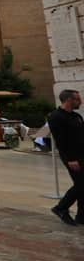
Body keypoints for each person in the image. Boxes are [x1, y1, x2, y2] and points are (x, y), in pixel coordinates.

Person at [48, 89, 84, 225]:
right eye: (77, 99)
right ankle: (61, 208)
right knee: (81, 184)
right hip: (72, 157)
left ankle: (81, 217)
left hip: (82, 154)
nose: (80, 101)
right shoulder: (56, 117)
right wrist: (70, 159)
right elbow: (61, 141)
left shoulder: (77, 116)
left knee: (82, 186)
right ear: (69, 100)